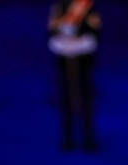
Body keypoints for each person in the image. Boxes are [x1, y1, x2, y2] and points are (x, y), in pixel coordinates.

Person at [47, 0, 102, 151]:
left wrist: (79, 42)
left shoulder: (88, 7)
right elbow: (52, 30)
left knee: (86, 101)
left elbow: (95, 32)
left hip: (83, 62)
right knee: (66, 101)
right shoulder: (60, 6)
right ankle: (67, 138)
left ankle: (88, 139)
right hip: (65, 62)